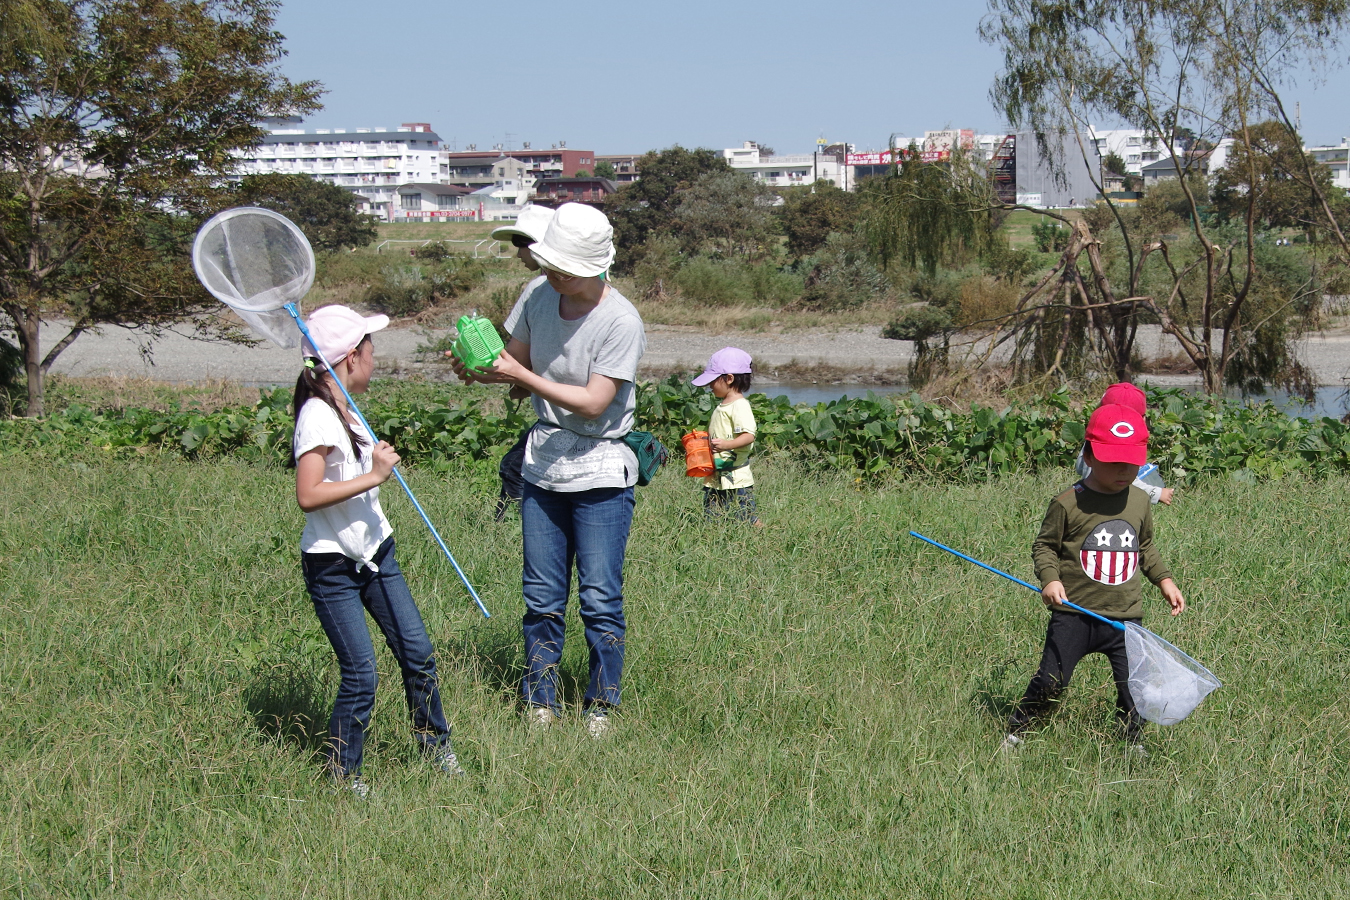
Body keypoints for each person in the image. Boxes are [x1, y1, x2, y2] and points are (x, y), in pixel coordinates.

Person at [449, 203, 646, 738]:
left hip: (601, 468)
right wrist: (479, 368)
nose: (551, 275)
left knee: (600, 596)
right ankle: (541, 699)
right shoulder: (539, 296)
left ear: (595, 267)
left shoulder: (620, 320)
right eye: (548, 264)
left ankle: (601, 705)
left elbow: (592, 402)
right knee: (540, 595)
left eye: (563, 268)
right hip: (543, 465)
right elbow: (512, 363)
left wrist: (520, 374)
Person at [293, 305, 463, 797]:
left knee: (417, 652)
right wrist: (375, 474)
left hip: (376, 553)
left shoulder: (345, 406)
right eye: (370, 349)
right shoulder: (318, 416)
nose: (374, 357)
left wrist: (371, 460)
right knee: (361, 674)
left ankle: (435, 747)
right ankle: (345, 777)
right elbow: (308, 494)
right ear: (350, 357)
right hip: (333, 566)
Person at [1004, 402, 1186, 755]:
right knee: (1051, 681)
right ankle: (1017, 733)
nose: (1123, 470)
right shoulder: (1068, 502)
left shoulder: (1138, 500)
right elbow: (1044, 547)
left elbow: (1144, 546)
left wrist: (1164, 581)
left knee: (1134, 687)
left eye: (1131, 462)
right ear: (1088, 454)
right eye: (1112, 460)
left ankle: (1132, 742)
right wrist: (1050, 580)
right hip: (1074, 613)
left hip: (1125, 616)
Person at [489, 206, 556, 520]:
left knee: (514, 466)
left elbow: (514, 360)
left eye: (521, 242)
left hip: (558, 417)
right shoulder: (598, 291)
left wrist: (475, 363)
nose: (517, 253)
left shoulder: (537, 291)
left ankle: (507, 527)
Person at [1074, 382, 1175, 505]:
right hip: (1110, 505)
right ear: (1141, 419)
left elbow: (1079, 466)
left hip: (1086, 498)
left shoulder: (1094, 437)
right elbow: (1127, 482)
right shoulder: (1123, 447)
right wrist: (1156, 493)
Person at [692, 347, 760, 524]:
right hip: (718, 473)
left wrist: (726, 445)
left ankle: (762, 535)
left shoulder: (739, 406)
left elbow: (748, 436)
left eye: (713, 381)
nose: (709, 386)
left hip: (736, 476)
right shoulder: (724, 405)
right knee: (712, 517)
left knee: (746, 517)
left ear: (729, 379)